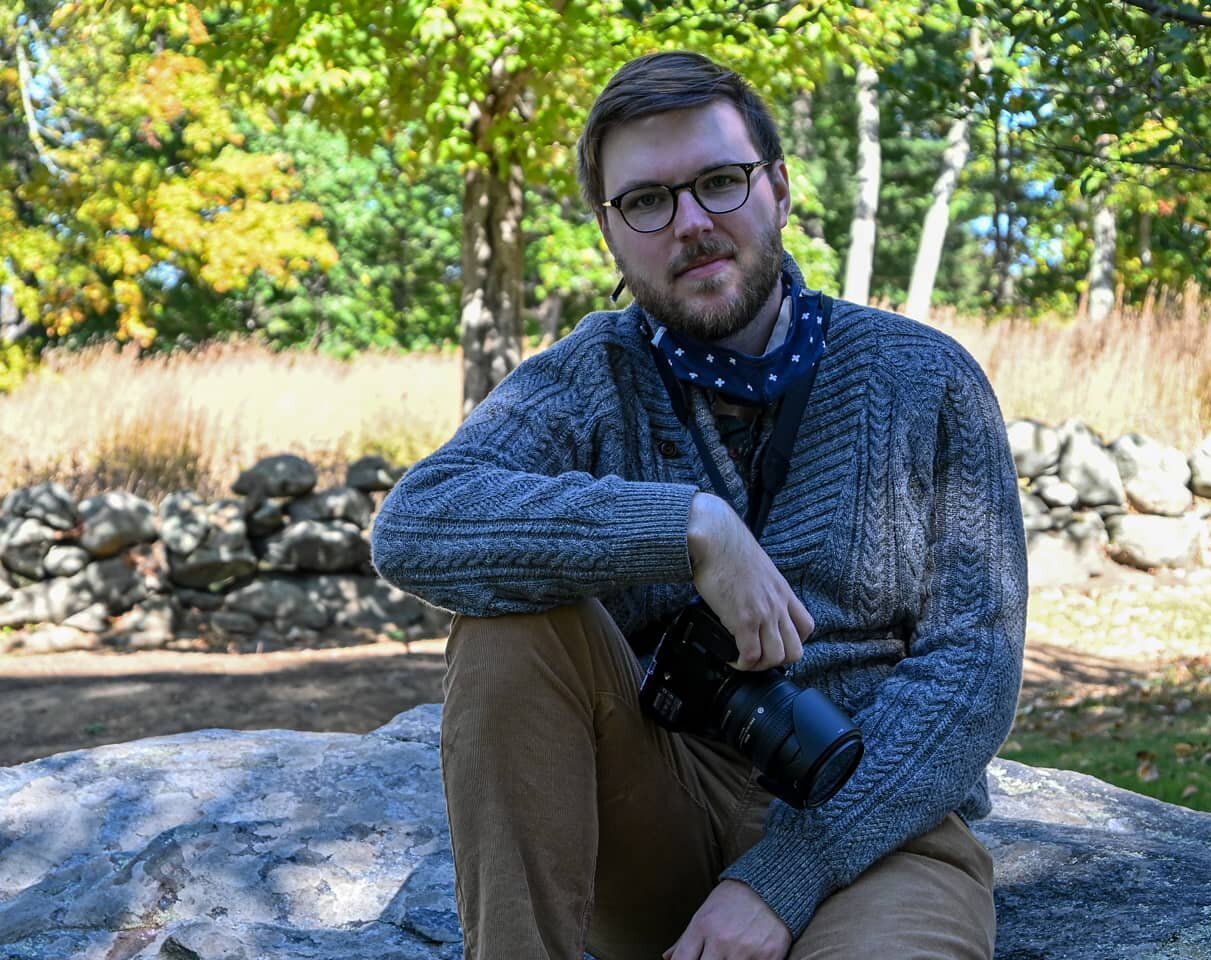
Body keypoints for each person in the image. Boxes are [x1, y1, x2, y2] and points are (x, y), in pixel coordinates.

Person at [371, 50, 1027, 960]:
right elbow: (415, 525)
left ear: (781, 188)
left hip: (874, 828)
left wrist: (780, 880)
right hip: (654, 807)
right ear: (609, 228)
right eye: (648, 201)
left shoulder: (926, 381)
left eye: (721, 182)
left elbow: (974, 670)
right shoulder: (585, 381)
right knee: (509, 632)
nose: (691, 224)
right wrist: (687, 528)